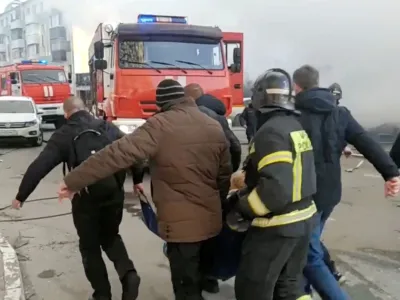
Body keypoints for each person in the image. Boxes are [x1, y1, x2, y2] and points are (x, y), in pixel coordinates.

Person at [58, 79, 232, 300]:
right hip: (211, 221)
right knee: (200, 276)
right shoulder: (213, 125)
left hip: (181, 228)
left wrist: (73, 180)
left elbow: (116, 154)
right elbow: (224, 175)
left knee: (186, 287)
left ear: (161, 104)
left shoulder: (159, 125)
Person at [12, 96, 143, 300]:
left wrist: (21, 196)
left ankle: (102, 295)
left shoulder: (64, 134)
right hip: (113, 194)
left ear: (66, 113)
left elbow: (40, 165)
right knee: (110, 236)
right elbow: (133, 153)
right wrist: (137, 179)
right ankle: (129, 275)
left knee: (89, 245)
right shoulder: (106, 127)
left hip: (85, 198)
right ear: (84, 109)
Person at [293, 64, 400, 299]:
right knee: (308, 247)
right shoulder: (340, 113)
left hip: (302, 195)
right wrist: (391, 173)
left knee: (308, 253)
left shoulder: (293, 113)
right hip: (329, 194)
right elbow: (366, 141)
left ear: (296, 86)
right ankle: (302, 291)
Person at [232, 68, 317, 300]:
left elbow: (276, 191)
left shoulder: (270, 133)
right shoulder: (294, 126)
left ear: (259, 96)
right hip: (303, 219)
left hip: (277, 226)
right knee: (290, 288)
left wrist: (244, 207)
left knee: (252, 289)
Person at [184, 83, 242, 172]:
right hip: (216, 172)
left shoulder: (182, 116)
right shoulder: (219, 117)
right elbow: (235, 146)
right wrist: (231, 169)